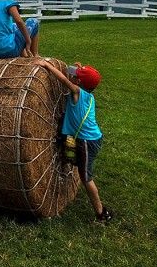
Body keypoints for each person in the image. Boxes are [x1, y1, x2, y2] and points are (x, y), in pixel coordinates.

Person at [33, 58, 114, 223]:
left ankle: (101, 213)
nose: (73, 77)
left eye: (76, 77)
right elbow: (72, 77)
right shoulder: (87, 94)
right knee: (68, 154)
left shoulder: (77, 92)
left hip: (86, 141)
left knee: (85, 177)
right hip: (76, 137)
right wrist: (78, 69)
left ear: (79, 83)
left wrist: (47, 66)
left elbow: (63, 79)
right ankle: (66, 173)